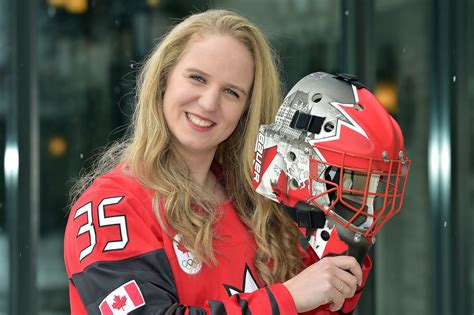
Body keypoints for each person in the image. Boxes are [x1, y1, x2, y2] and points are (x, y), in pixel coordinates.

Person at [64, 9, 371, 314]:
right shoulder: (112, 207)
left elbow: (310, 304)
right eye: (197, 78)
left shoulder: (260, 205)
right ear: (163, 80)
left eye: (231, 92)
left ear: (245, 112)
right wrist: (287, 298)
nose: (209, 103)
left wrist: (346, 245)